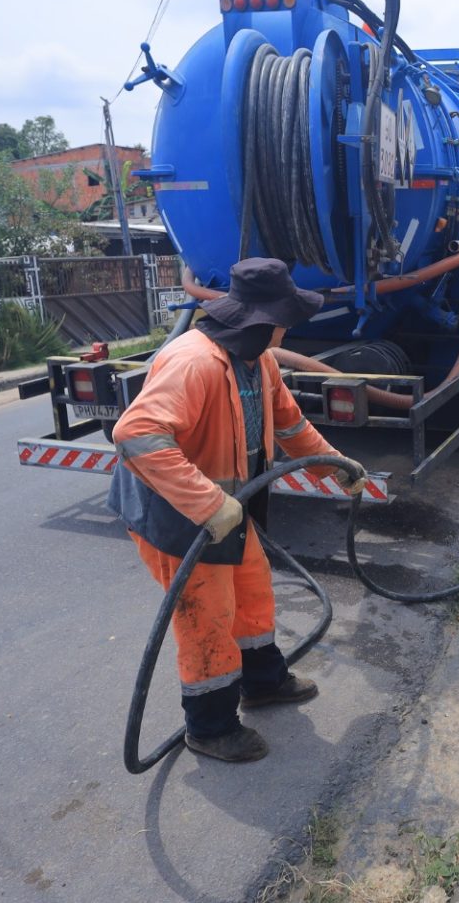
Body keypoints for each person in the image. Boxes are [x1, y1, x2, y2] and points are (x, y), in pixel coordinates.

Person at [108, 258, 364, 763]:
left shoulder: (259, 361)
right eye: (285, 318)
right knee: (206, 615)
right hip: (176, 512)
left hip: (227, 509)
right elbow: (135, 434)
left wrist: (334, 466)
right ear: (265, 320)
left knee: (251, 588)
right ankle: (210, 726)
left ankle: (262, 681)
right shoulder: (195, 363)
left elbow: (290, 426)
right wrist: (206, 502)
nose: (288, 328)